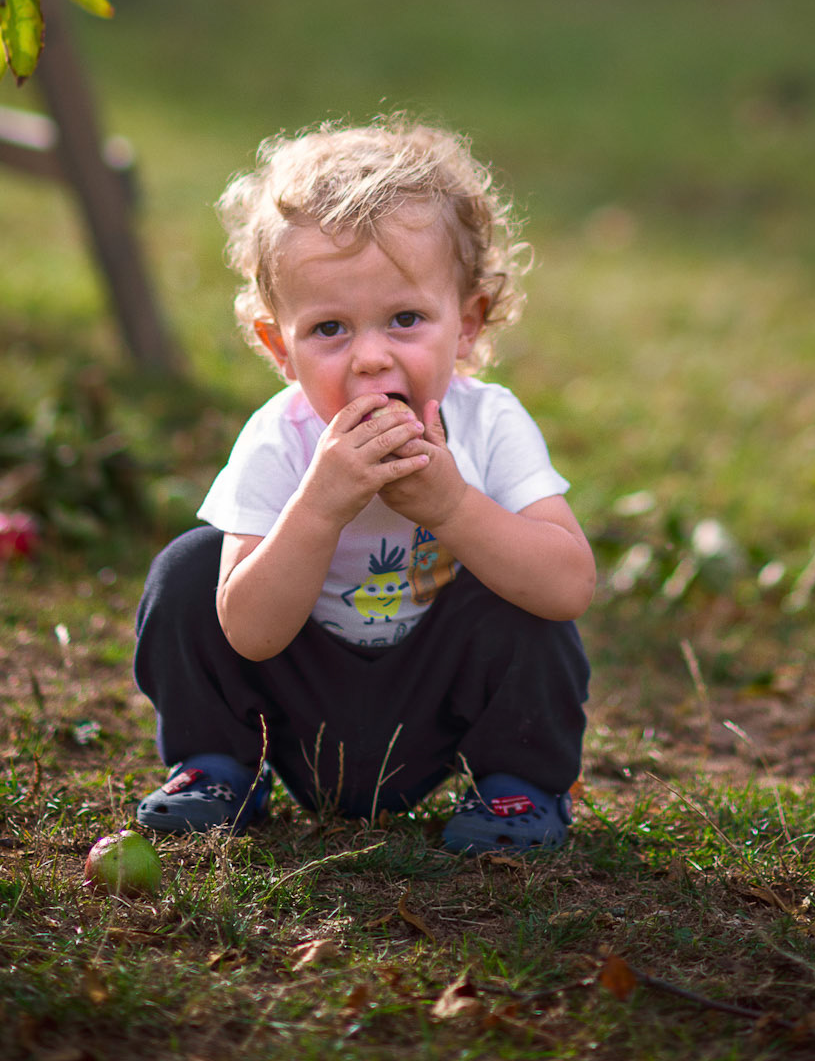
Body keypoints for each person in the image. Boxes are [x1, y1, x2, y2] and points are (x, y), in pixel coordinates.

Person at [133, 117, 595, 854]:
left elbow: (569, 586)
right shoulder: (279, 439)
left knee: (522, 575)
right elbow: (248, 630)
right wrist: (318, 507)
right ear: (279, 348)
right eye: (330, 329)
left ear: (467, 323)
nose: (371, 358)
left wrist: (454, 507)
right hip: (302, 700)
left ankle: (517, 781)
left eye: (405, 319)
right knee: (190, 569)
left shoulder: (489, 423)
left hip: (434, 696)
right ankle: (217, 765)